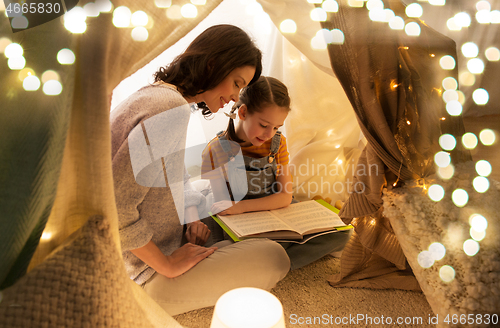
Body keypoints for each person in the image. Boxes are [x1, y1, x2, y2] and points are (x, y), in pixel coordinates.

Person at [111, 25, 290, 316]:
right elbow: (117, 209)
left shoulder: (160, 97)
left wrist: (191, 217)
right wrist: (168, 264)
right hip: (142, 272)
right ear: (212, 64)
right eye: (236, 83)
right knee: (275, 257)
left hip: (159, 240)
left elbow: (175, 176)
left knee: (208, 198)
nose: (235, 97)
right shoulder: (169, 110)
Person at [201, 76, 352, 270]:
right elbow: (224, 208)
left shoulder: (278, 143)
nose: (269, 134)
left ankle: (271, 264)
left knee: (341, 233)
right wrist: (239, 209)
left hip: (275, 212)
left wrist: (241, 206)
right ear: (243, 112)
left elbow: (284, 197)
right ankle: (271, 259)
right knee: (223, 247)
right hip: (241, 221)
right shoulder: (216, 150)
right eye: (264, 125)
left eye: (276, 127)